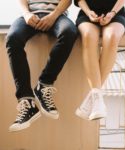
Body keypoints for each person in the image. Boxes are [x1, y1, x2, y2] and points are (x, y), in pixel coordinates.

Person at [6, 0, 77, 132]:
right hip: (29, 15)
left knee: (69, 32)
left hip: (57, 16)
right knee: (13, 37)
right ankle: (27, 101)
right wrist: (27, 13)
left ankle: (43, 84)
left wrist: (54, 15)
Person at [74, 0, 125, 120]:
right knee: (88, 35)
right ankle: (97, 100)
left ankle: (94, 97)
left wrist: (112, 13)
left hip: (116, 14)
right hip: (88, 15)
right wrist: (89, 12)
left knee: (112, 36)